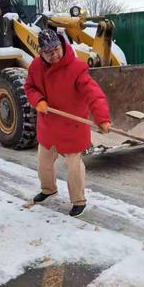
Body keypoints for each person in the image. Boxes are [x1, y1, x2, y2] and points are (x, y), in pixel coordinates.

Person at [25, 29, 111, 217]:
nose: (54, 55)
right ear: (41, 52)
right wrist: (37, 100)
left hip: (73, 127)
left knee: (74, 168)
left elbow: (93, 94)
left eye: (56, 49)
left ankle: (78, 200)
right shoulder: (36, 67)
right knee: (43, 163)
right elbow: (29, 87)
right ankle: (48, 189)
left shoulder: (76, 68)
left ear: (61, 45)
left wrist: (102, 118)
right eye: (48, 52)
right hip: (48, 126)